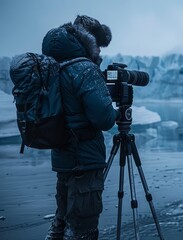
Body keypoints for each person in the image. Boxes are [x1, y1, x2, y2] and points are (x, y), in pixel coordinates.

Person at [42, 15, 119, 240]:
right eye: (99, 46)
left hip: (63, 157)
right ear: (90, 42)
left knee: (62, 221)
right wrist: (116, 112)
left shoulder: (56, 65)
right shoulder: (85, 69)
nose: (101, 53)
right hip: (85, 160)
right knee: (82, 230)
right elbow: (103, 118)